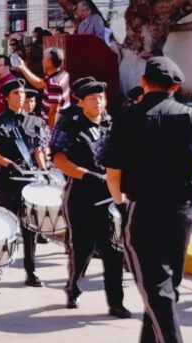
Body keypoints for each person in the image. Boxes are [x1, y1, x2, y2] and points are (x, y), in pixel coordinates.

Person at [99, 57, 192, 343]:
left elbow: (112, 174)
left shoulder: (125, 118)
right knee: (167, 289)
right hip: (182, 214)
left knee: (159, 292)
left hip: (142, 212)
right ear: (176, 87)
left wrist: (121, 205)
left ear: (143, 81)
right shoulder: (191, 117)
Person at [50, 81, 131, 318]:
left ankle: (116, 302)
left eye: (101, 97)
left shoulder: (111, 124)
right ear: (80, 101)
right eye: (93, 98)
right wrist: (87, 175)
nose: (98, 102)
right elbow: (59, 159)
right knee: (82, 249)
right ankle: (73, 287)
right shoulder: (70, 124)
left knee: (113, 250)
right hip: (82, 195)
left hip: (111, 195)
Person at [0, 79, 51, 286]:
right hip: (8, 177)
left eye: (22, 93)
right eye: (15, 93)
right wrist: (8, 163)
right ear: (6, 98)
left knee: (30, 227)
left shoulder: (36, 122)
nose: (21, 96)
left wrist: (44, 171)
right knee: (7, 222)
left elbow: (39, 150)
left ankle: (30, 271)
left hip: (30, 179)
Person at [16, 47, 71, 128]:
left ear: (49, 62)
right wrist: (23, 68)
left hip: (53, 126)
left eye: (44, 59)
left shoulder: (54, 82)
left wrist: (49, 133)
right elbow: (38, 84)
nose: (42, 61)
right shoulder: (60, 74)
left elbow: (53, 112)